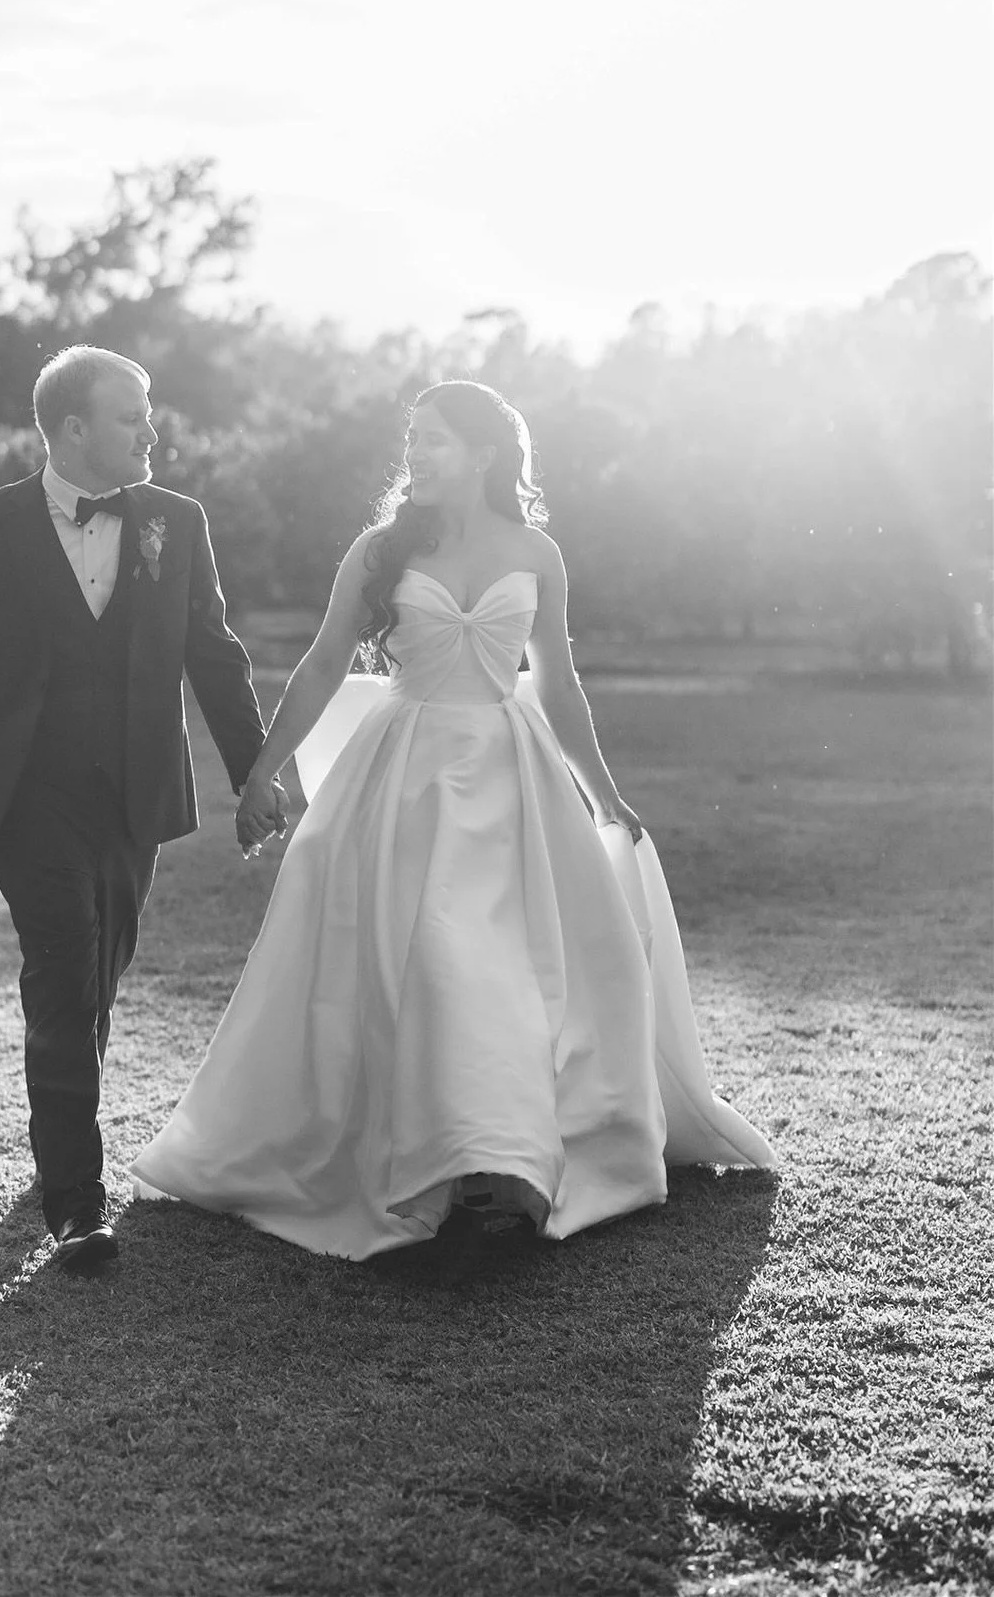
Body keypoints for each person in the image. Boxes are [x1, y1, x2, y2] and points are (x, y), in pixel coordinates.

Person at [132, 380, 774, 1258]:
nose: (416, 453)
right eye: (412, 438)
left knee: (500, 969)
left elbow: (558, 685)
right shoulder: (379, 551)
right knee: (437, 958)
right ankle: (459, 1169)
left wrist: (603, 792)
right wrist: (262, 770)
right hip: (406, 777)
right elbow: (322, 665)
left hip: (514, 781)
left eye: (434, 438)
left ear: (485, 453)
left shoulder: (538, 553)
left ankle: (501, 1175)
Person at [0, 347, 281, 1271]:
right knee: (62, 973)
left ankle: (60, 1147)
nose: (151, 431)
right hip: (33, 793)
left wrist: (252, 773)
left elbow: (214, 653)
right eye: (132, 415)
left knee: (98, 975)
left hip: (138, 794)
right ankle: (74, 1200)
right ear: (72, 428)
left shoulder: (177, 521)